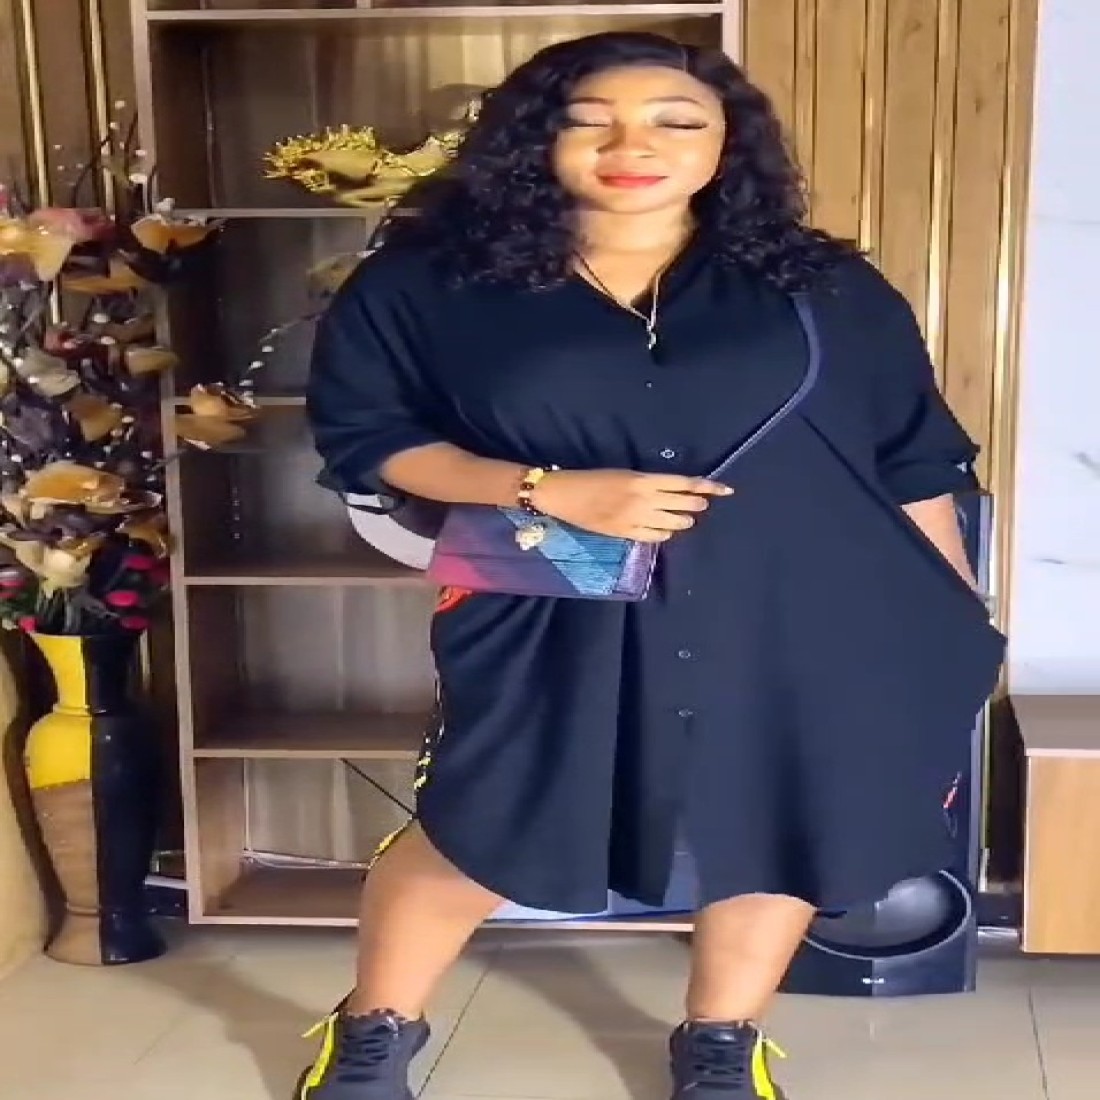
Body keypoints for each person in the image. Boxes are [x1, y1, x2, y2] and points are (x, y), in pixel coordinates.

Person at [298, 30, 1006, 1100]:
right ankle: (371, 1030)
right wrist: (544, 486)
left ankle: (720, 1041)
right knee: (484, 819)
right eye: (592, 121)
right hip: (554, 603)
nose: (634, 146)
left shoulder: (821, 284)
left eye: (676, 121)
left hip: (807, 603)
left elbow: (912, 455)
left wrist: (953, 615)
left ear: (726, 143)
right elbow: (370, 437)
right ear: (537, 140)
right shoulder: (427, 284)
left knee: (778, 815)